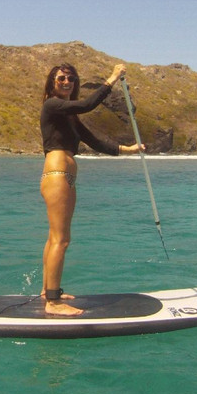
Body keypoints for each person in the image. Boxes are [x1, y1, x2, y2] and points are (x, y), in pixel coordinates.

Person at [40, 63, 143, 316]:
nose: (67, 82)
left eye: (72, 79)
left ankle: (48, 291)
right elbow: (87, 105)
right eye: (61, 78)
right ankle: (53, 303)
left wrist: (126, 150)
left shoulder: (68, 115)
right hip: (57, 174)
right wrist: (112, 79)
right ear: (52, 82)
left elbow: (94, 141)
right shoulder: (51, 105)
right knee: (61, 240)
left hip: (66, 176)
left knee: (56, 237)